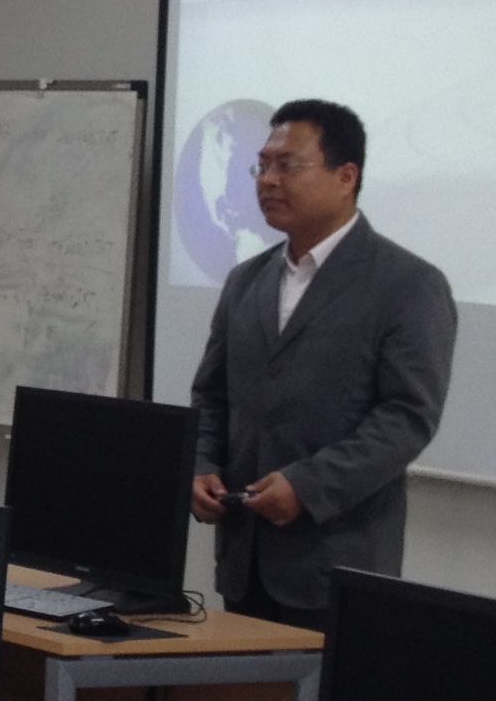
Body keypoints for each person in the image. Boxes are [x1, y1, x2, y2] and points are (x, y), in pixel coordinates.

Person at [188, 98, 458, 626]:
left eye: (287, 165)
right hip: (244, 562)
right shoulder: (246, 280)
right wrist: (198, 467)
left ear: (346, 176)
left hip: (337, 563)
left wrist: (308, 487)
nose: (268, 180)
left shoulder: (408, 284)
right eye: (262, 166)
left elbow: (407, 417)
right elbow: (212, 395)